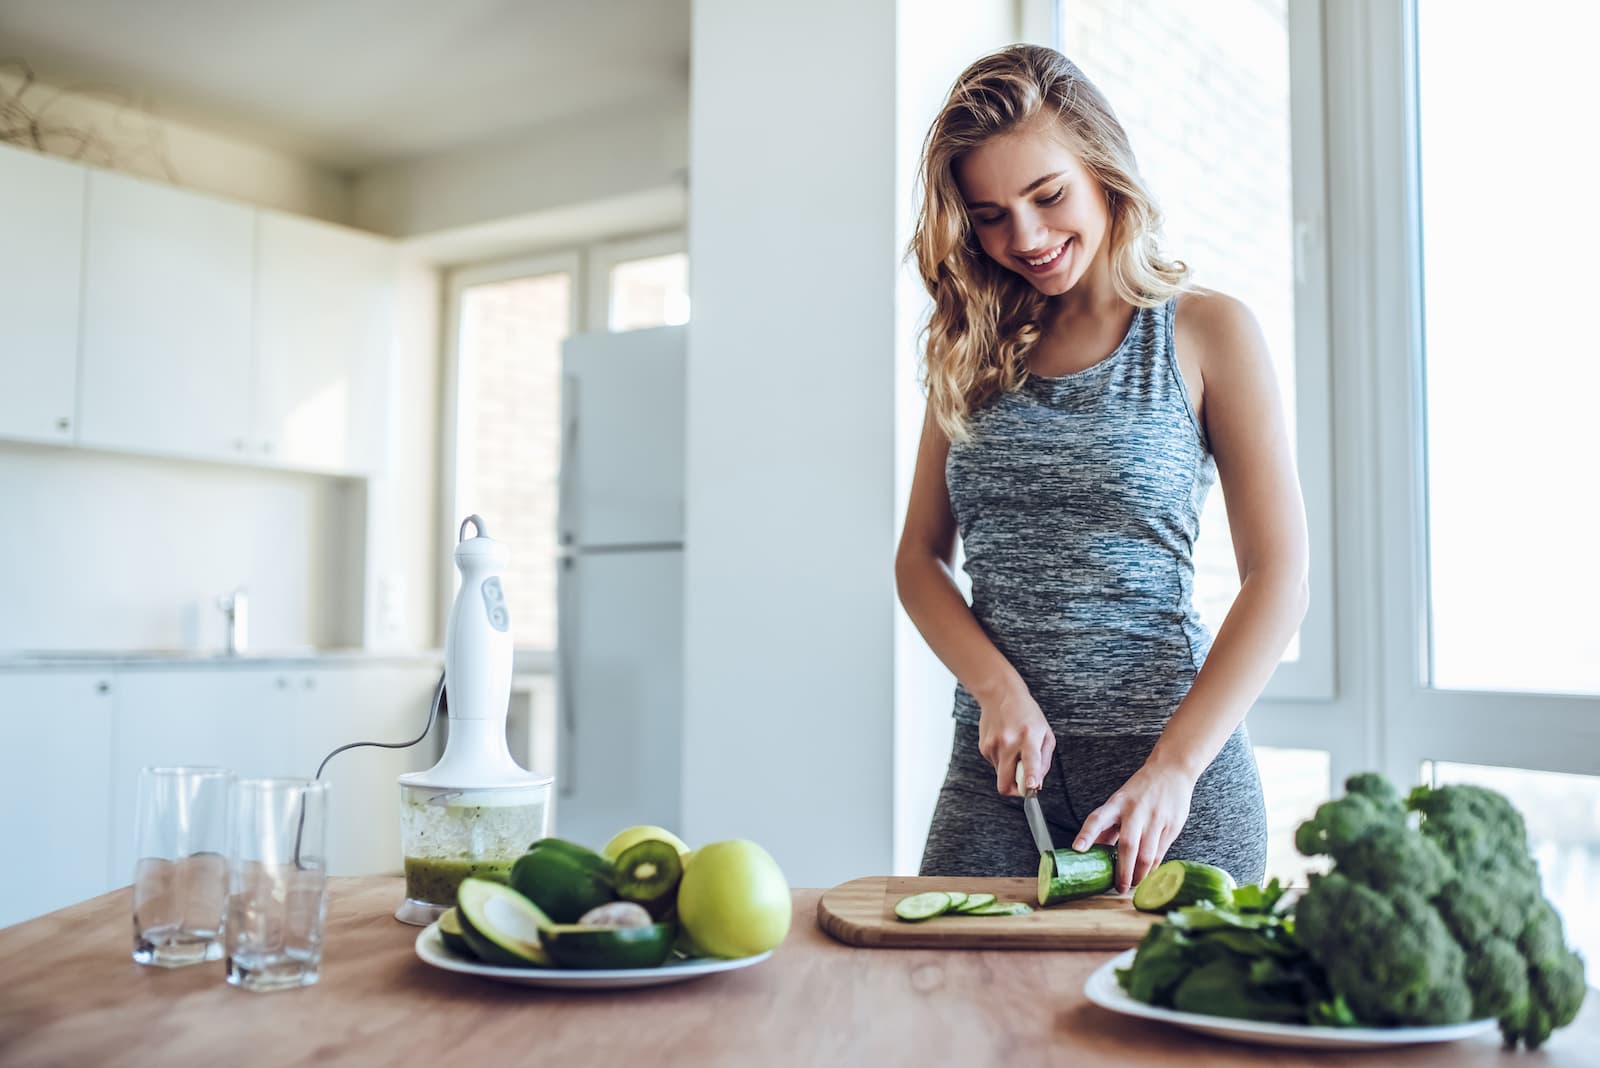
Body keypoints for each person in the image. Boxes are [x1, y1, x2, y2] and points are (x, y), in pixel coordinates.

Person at [896, 44, 1309, 892]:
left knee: (1162, 1024)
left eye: (1048, 197)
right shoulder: (965, 349)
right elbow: (919, 560)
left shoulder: (1206, 333)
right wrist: (995, 688)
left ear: (1103, 171)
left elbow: (1281, 574)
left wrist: (1177, 768)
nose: (1028, 238)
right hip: (999, 779)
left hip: (1169, 776)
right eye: (990, 214)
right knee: (955, 1014)